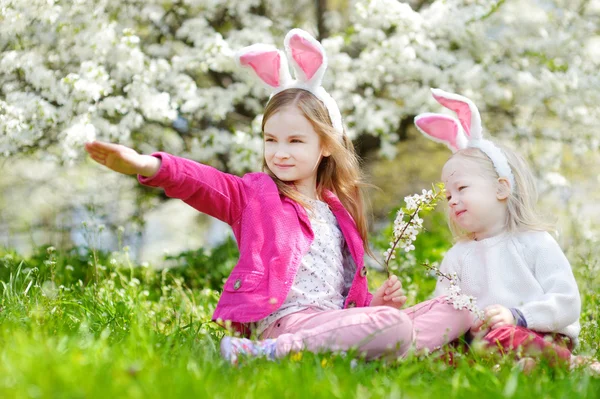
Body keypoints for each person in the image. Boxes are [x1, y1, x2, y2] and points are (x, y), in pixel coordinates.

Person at [85, 30, 472, 365]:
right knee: (395, 328)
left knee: (458, 306)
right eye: (271, 140)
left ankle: (366, 350)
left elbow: (340, 293)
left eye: (294, 141)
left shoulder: (338, 211)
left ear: (325, 146)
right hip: (287, 321)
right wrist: (149, 165)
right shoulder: (257, 195)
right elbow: (201, 182)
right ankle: (271, 352)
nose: (279, 152)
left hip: (334, 320)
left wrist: (375, 304)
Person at [415, 88, 589, 371]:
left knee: (506, 336)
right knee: (436, 350)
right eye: (448, 196)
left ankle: (570, 364)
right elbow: (443, 307)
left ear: (501, 188)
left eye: (462, 188)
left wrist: (518, 316)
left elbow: (567, 302)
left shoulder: (534, 242)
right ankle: (514, 367)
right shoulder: (458, 256)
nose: (453, 200)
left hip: (535, 332)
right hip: (482, 341)